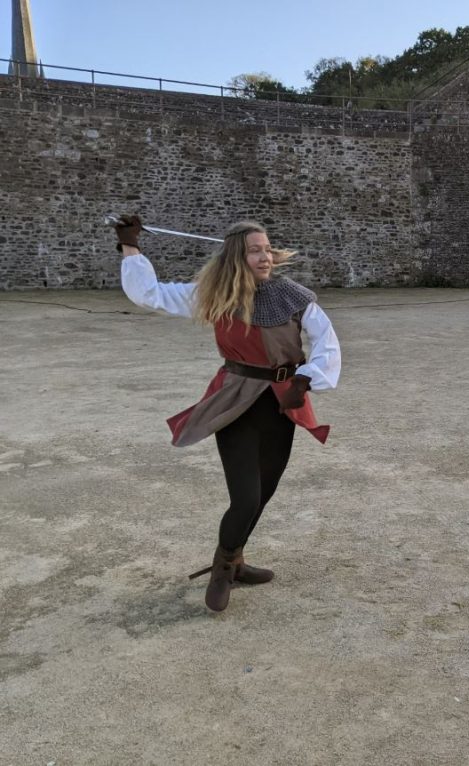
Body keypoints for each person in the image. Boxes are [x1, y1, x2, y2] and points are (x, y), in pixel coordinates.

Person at [113, 215, 341, 613]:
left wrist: (305, 382)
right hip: (236, 400)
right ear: (237, 255)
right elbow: (149, 294)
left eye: (268, 249)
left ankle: (235, 560)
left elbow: (327, 340)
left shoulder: (291, 295)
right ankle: (222, 569)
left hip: (283, 401)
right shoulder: (214, 293)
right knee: (245, 495)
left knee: (264, 492)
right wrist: (131, 246)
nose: (265, 256)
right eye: (255, 250)